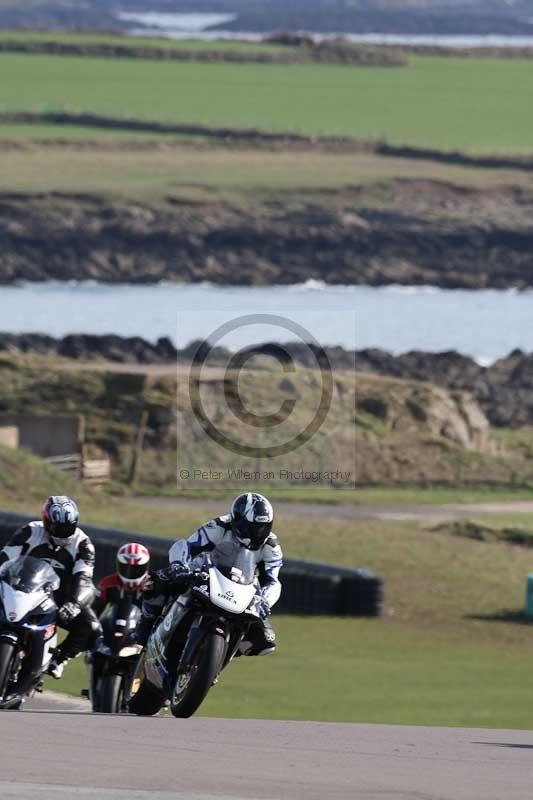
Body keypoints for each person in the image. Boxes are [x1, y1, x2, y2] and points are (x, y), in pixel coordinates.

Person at [140, 492, 283, 656]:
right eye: (251, 527)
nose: (256, 533)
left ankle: (219, 654)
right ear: (237, 519)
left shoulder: (271, 546)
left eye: (262, 528)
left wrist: (264, 600)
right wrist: (179, 566)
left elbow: (273, 581)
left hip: (240, 590)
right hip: (203, 575)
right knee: (155, 581)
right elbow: (186, 546)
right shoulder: (220, 526)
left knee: (264, 640)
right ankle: (141, 638)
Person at [0, 496, 99, 679]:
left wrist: (74, 604)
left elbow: (84, 579)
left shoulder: (84, 544)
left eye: (68, 527)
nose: (63, 533)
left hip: (59, 599)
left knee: (91, 627)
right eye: (58, 528)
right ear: (46, 522)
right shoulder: (30, 531)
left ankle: (59, 659)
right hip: (22, 590)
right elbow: (6, 557)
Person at [93, 542, 150, 617]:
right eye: (126, 568)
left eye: (136, 569)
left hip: (144, 626)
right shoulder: (108, 583)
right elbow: (94, 611)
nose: (130, 573)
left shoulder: (153, 584)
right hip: (113, 625)